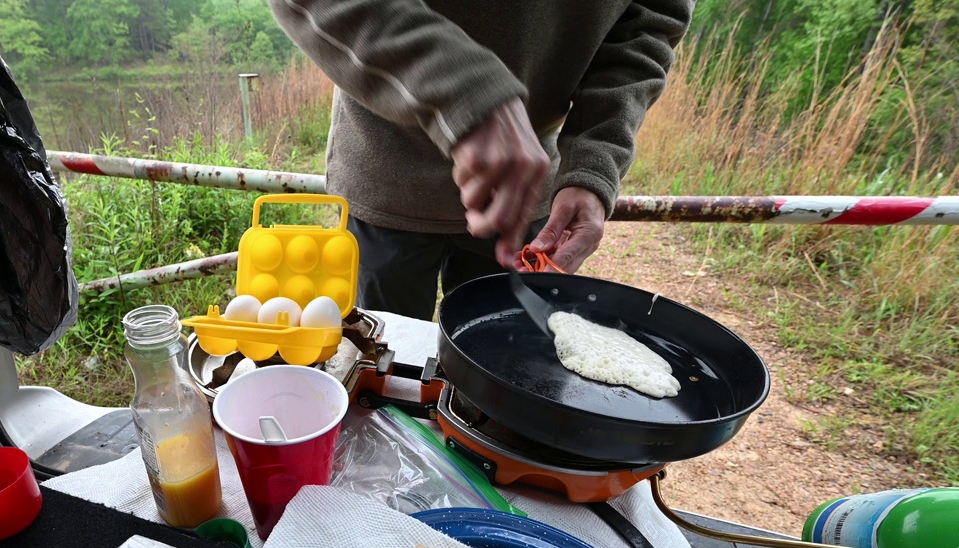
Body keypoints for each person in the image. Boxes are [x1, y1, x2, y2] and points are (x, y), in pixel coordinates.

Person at [267, 1, 695, 320]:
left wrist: (594, 159)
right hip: (386, 175)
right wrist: (460, 90)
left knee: (499, 369)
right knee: (384, 365)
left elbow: (649, 24)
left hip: (525, 191)